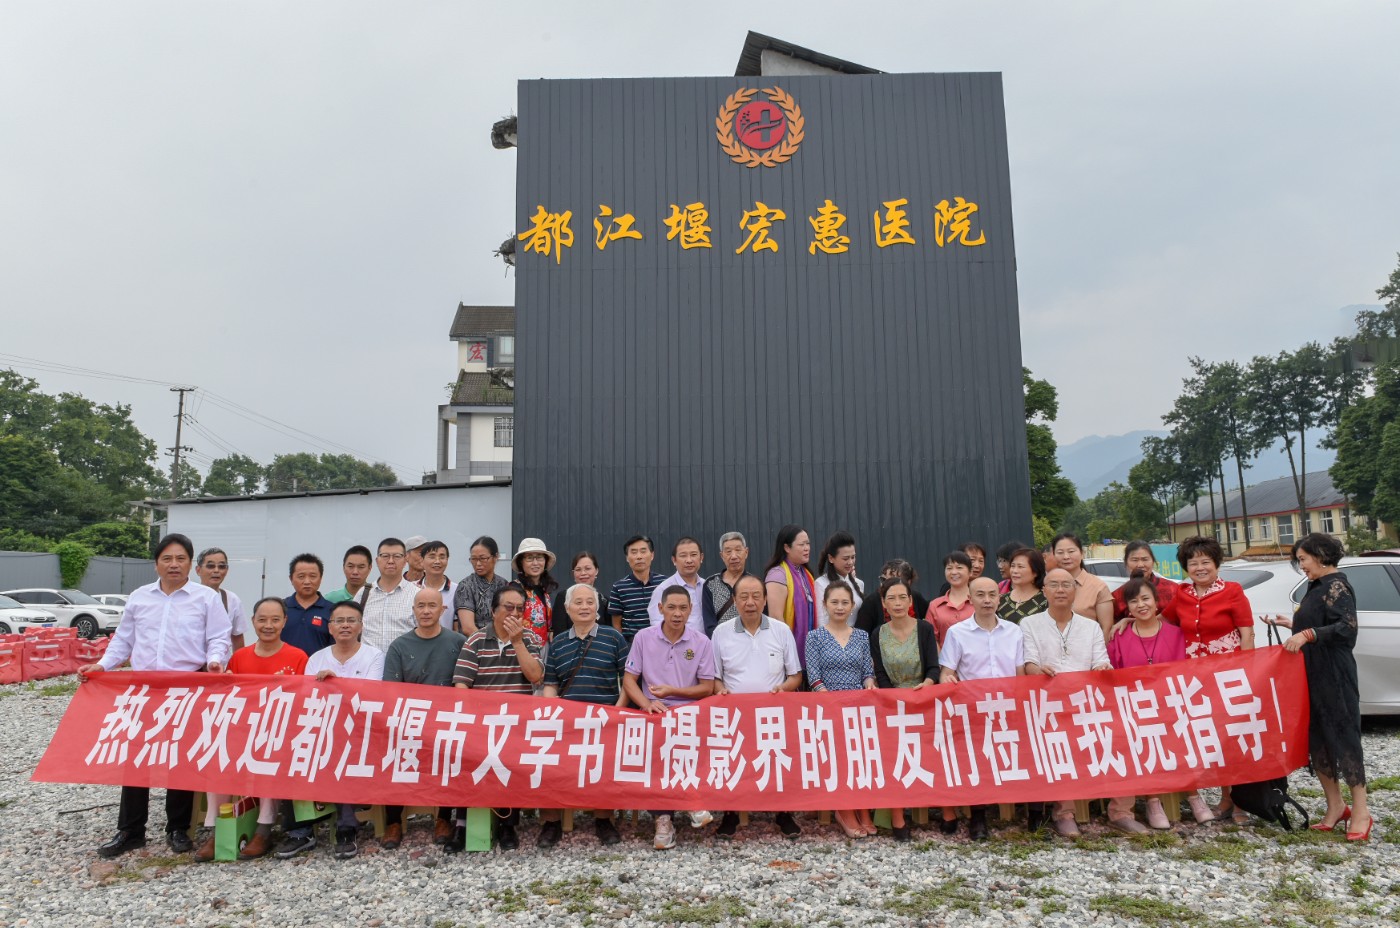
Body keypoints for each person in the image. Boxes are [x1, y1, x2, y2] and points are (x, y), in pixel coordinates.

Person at [80, 533, 231, 859]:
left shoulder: (206, 598)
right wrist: (102, 666)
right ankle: (131, 830)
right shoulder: (139, 597)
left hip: (186, 688)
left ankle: (177, 828)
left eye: (180, 559)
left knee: (180, 758)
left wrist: (216, 661)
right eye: (167, 559)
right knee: (136, 760)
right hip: (144, 690)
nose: (174, 564)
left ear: (191, 564)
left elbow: (219, 638)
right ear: (156, 564)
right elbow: (123, 641)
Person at [1269, 533, 1372, 841]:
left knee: (1344, 738)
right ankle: (1335, 806)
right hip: (1311, 671)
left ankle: (1361, 812)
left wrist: (1308, 634)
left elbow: (1346, 628)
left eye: (1303, 559)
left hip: (1334, 673)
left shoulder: (1337, 585)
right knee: (1318, 739)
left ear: (1321, 555)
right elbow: (1322, 621)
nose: (1301, 565)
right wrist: (1293, 625)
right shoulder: (1315, 586)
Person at [1160, 534, 1255, 823]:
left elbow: (1247, 633)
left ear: (1216, 563)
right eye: (1193, 563)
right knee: (1211, 737)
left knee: (1233, 736)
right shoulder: (1182, 593)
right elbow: (1163, 622)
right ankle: (1225, 798)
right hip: (1195, 678)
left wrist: (1247, 671)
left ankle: (1240, 802)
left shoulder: (1233, 591)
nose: (1200, 568)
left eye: (1205, 562)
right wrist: (1129, 622)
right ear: (1185, 567)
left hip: (1228, 674)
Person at [624, 585, 718, 850]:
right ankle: (667, 817)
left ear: (691, 611)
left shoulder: (701, 642)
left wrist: (673, 691)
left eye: (683, 608)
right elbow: (629, 680)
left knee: (682, 739)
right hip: (653, 712)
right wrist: (647, 703)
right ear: (660, 609)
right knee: (657, 747)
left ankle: (688, 803)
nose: (677, 613)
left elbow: (707, 688)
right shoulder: (643, 638)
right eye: (672, 607)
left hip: (688, 712)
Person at [1021, 567, 1112, 837]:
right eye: (1054, 585)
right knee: (1057, 740)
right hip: (1048, 704)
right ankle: (1064, 812)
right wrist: (1037, 670)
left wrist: (1102, 668)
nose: (1060, 590)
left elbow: (1100, 660)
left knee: (1122, 734)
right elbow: (1029, 662)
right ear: (1044, 591)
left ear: (1075, 591)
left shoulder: (1091, 626)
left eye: (1066, 585)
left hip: (1084, 702)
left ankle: (1121, 811)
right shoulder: (1029, 623)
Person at [711, 574, 803, 840]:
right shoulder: (721, 633)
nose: (750, 602)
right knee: (732, 761)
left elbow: (795, 675)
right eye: (743, 597)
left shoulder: (780, 630)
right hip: (734, 715)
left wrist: (782, 689)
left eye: (755, 596)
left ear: (764, 600)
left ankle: (783, 813)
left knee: (777, 761)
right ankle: (731, 813)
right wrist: (721, 691)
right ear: (734, 600)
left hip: (772, 714)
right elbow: (714, 678)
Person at [453, 583, 544, 850]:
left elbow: (535, 676)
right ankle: (462, 825)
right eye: (508, 607)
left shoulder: (530, 639)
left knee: (512, 764)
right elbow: (461, 684)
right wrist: (471, 719)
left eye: (520, 609)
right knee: (466, 761)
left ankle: (508, 825)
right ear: (494, 611)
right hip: (480, 721)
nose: (514, 613)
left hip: (516, 723)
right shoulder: (476, 640)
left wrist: (517, 642)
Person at [540, 584, 630, 848]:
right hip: (567, 724)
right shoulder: (558, 643)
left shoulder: (614, 638)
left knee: (604, 768)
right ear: (567, 609)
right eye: (578, 602)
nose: (584, 607)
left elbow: (628, 680)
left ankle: (603, 820)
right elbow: (550, 684)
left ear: (597, 608)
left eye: (589, 602)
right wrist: (553, 714)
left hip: (606, 722)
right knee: (550, 766)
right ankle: (551, 822)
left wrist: (617, 712)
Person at [222, 599, 311, 860]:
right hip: (243, 731)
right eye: (262, 620)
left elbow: (304, 700)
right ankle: (217, 829)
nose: (268, 625)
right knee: (216, 754)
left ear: (284, 622)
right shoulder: (239, 657)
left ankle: (264, 828)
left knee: (269, 751)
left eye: (275, 620)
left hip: (280, 732)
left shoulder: (298, 657)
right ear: (253, 622)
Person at [381, 588, 468, 852]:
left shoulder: (458, 642)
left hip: (447, 720)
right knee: (392, 755)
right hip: (410, 719)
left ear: (443, 610)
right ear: (413, 611)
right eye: (421, 606)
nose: (426, 611)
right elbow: (391, 691)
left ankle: (444, 818)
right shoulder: (399, 646)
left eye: (432, 605)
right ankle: (393, 821)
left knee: (451, 758)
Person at [939, 577, 1025, 840]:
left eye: (992, 595)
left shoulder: (1014, 631)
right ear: (970, 599)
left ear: (999, 598)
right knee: (977, 761)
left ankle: (1031, 813)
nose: (987, 600)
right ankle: (978, 816)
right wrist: (947, 681)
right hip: (974, 710)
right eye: (980, 595)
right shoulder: (957, 633)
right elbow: (946, 672)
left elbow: (1020, 673)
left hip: (1009, 708)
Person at [1105, 576, 1187, 833]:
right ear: (1127, 608)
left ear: (1156, 601)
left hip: (1169, 704)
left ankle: (1192, 796)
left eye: (1145, 599)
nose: (1140, 605)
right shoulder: (1119, 636)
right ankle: (1152, 802)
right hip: (1132, 706)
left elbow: (1184, 673)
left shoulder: (1176, 634)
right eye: (1133, 601)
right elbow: (1113, 675)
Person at [304, 599, 384, 859]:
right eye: (339, 621)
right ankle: (300, 830)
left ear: (361, 626)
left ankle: (346, 827)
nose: (345, 626)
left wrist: (336, 684)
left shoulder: (374, 656)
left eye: (351, 621)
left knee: (344, 747)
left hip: (363, 730)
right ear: (330, 627)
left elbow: (371, 695)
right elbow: (307, 698)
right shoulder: (316, 659)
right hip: (324, 729)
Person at [803, 580, 875, 838]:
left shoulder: (862, 636)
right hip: (828, 708)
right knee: (839, 760)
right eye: (834, 602)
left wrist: (869, 684)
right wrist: (831, 702)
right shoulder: (814, 637)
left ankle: (863, 808)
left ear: (852, 605)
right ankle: (844, 810)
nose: (840, 607)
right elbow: (814, 677)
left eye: (845, 602)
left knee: (860, 759)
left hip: (858, 708)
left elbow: (867, 672)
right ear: (825, 605)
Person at [763, 525, 818, 667]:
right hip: (788, 650)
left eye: (808, 544)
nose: (807, 548)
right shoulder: (777, 574)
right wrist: (788, 651)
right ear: (787, 547)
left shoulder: (806, 574)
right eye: (801, 544)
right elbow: (776, 618)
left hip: (809, 647)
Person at [359, 538, 418, 654]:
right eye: (385, 556)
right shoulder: (364, 593)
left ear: (405, 560)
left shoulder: (417, 594)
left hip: (404, 662)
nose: (391, 561)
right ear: (377, 561)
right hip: (368, 663)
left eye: (397, 556)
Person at [1049, 534, 1113, 638]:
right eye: (1060, 552)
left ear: (1082, 553)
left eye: (1071, 551)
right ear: (1054, 555)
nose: (1066, 557)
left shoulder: (1098, 587)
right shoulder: (1047, 585)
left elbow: (1106, 628)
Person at [607, 535, 666, 645]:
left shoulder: (664, 583)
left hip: (662, 642)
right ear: (627, 558)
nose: (639, 556)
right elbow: (616, 624)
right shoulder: (619, 587)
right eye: (634, 552)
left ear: (652, 555)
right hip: (632, 644)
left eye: (643, 551)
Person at [646, 537, 706, 637]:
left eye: (693, 555)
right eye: (683, 556)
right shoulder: (663, 589)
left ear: (701, 558)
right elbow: (657, 623)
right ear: (674, 560)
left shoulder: (707, 586)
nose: (689, 560)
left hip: (706, 644)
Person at [854, 560, 930, 635]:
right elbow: (861, 634)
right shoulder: (872, 601)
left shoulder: (916, 597)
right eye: (883, 580)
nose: (886, 584)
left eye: (893, 581)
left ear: (908, 582)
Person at [454, 535, 508, 636]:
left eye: (483, 558)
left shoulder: (503, 584)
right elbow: (468, 628)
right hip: (476, 641)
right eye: (474, 559)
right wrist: (489, 643)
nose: (478, 563)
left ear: (495, 557)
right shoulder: (466, 586)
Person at [282, 553, 334, 656]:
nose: (307, 582)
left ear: (321, 578)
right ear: (291, 579)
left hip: (319, 666)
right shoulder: (280, 608)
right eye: (301, 576)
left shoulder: (332, 611)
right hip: (284, 666)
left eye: (313, 576)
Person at [1110, 541, 1177, 620]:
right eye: (1135, 560)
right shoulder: (1117, 595)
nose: (1140, 565)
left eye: (1145, 559)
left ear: (1153, 561)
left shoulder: (1173, 589)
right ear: (1126, 563)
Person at [196, 546, 245, 651]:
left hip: (220, 660)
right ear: (198, 570)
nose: (216, 570)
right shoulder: (188, 597)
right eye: (210, 566)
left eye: (222, 567)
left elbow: (237, 636)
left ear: (227, 570)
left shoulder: (232, 599)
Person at [511, 537, 558, 644]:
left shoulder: (544, 589)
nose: (535, 563)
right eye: (529, 558)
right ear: (521, 562)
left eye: (539, 558)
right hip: (522, 646)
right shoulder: (515, 589)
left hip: (544, 647)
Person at [813, 531, 864, 626]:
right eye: (845, 558)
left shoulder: (859, 583)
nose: (850, 562)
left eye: (853, 557)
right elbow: (821, 621)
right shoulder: (821, 584)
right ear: (831, 558)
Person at [701, 531, 748, 636]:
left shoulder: (755, 583)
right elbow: (709, 624)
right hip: (720, 641)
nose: (733, 556)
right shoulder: (710, 584)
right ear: (722, 555)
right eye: (728, 551)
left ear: (746, 552)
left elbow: (762, 616)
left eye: (738, 550)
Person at [925, 551, 974, 647]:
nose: (954, 572)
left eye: (959, 567)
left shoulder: (979, 602)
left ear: (970, 572)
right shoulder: (935, 605)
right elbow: (931, 638)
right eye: (949, 568)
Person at [551, 551, 602, 637]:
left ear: (596, 570)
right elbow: (559, 633)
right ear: (573, 573)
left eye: (587, 568)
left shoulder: (603, 600)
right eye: (578, 570)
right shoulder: (563, 597)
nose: (583, 573)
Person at [997, 547, 1048, 625]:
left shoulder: (1045, 600)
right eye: (1013, 566)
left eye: (1020, 567)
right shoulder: (1001, 599)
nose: (1014, 571)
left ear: (1035, 571)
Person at [416, 540, 454, 606]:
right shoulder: (411, 588)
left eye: (442, 557)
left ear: (447, 560)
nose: (437, 561)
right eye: (432, 557)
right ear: (422, 561)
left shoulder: (457, 590)